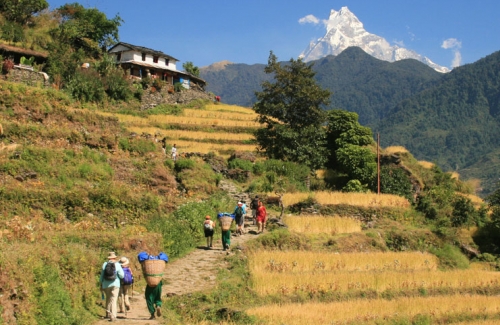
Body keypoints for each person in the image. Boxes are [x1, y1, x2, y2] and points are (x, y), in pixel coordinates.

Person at [138, 252, 169, 320]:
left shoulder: (145, 259)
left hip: (149, 283)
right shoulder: (160, 259)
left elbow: (140, 258)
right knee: (158, 297)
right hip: (158, 283)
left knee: (148, 297)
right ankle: (158, 305)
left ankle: (152, 314)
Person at [100, 252, 124, 322]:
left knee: (108, 298)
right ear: (115, 258)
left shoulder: (105, 264)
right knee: (113, 299)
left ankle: (107, 313)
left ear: (109, 258)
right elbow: (122, 275)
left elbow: (102, 275)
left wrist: (101, 283)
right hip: (115, 284)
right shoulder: (117, 265)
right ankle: (113, 316)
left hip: (105, 284)